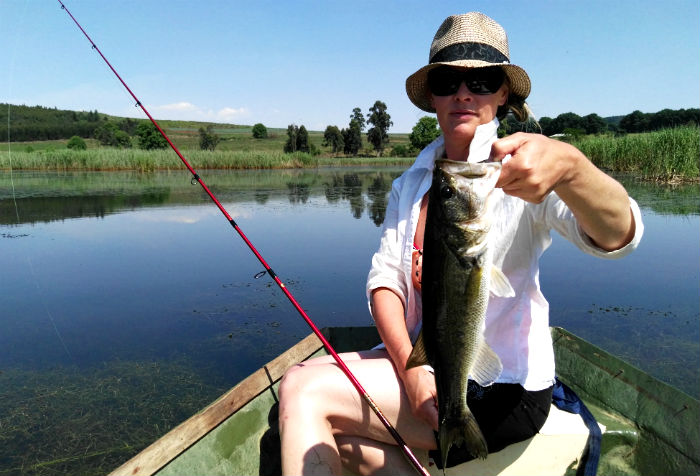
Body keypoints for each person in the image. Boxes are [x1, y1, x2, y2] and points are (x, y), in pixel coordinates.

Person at [278, 11, 643, 475]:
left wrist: (573, 169)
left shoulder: (530, 168)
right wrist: (411, 368)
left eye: (483, 81)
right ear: (432, 96)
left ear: (503, 93)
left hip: (503, 389)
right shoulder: (412, 182)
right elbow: (385, 281)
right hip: (432, 366)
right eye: (447, 81)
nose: (464, 93)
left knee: (301, 392)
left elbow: (618, 236)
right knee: (322, 414)